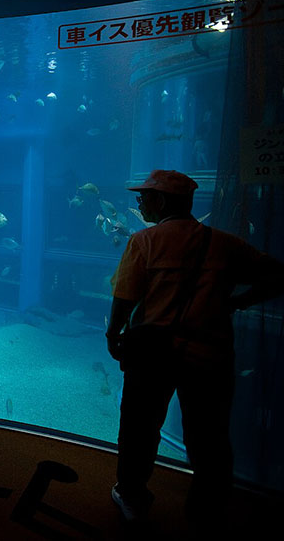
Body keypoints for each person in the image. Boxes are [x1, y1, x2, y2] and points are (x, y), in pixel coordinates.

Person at [106, 169, 284, 529]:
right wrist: (241, 301)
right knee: (209, 436)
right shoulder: (226, 244)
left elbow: (125, 297)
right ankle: (206, 510)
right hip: (209, 355)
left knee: (139, 428)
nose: (140, 201)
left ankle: (132, 496)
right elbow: (278, 274)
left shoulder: (144, 242)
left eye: (145, 196)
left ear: (161, 201)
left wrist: (113, 333)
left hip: (152, 354)